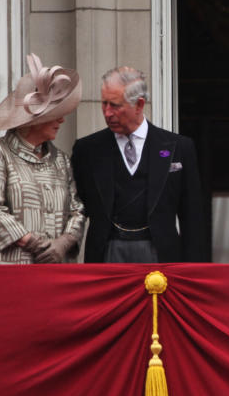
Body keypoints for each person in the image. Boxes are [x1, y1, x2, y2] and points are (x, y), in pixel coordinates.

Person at [71, 67, 207, 263]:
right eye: (104, 103)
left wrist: (193, 272)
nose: (107, 113)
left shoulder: (180, 148)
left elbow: (192, 216)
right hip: (106, 254)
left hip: (162, 255)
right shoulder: (87, 150)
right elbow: (77, 209)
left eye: (115, 105)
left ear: (139, 105)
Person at [0, 54, 86, 264]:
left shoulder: (61, 160)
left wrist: (63, 243)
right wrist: (33, 243)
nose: (62, 119)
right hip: (10, 269)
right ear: (33, 120)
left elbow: (77, 209)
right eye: (55, 113)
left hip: (55, 271)